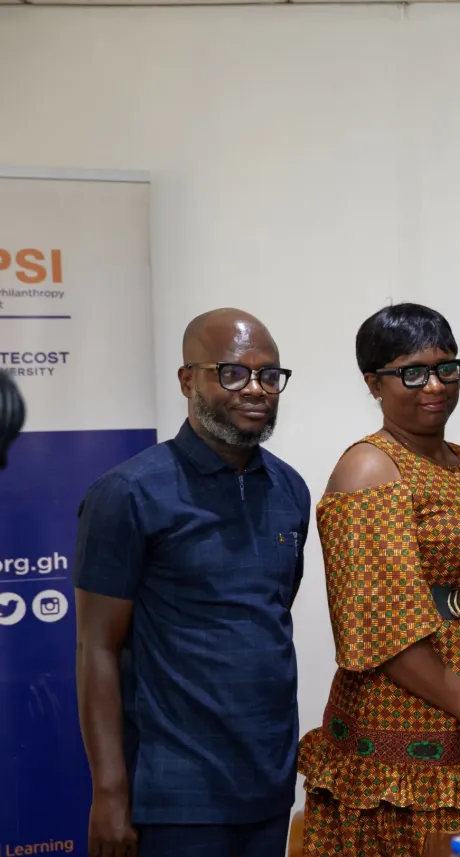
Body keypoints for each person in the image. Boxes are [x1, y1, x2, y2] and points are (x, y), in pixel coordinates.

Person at [74, 309, 309, 857]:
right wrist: (109, 792)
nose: (255, 389)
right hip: (174, 793)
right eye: (233, 372)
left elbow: (270, 618)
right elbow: (96, 649)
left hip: (269, 783)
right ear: (188, 380)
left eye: (269, 375)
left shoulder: (289, 489)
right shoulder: (128, 493)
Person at [297, 303, 460, 854]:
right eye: (413, 372)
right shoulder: (369, 468)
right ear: (373, 383)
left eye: (447, 368)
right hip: (410, 736)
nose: (436, 386)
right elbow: (379, 626)